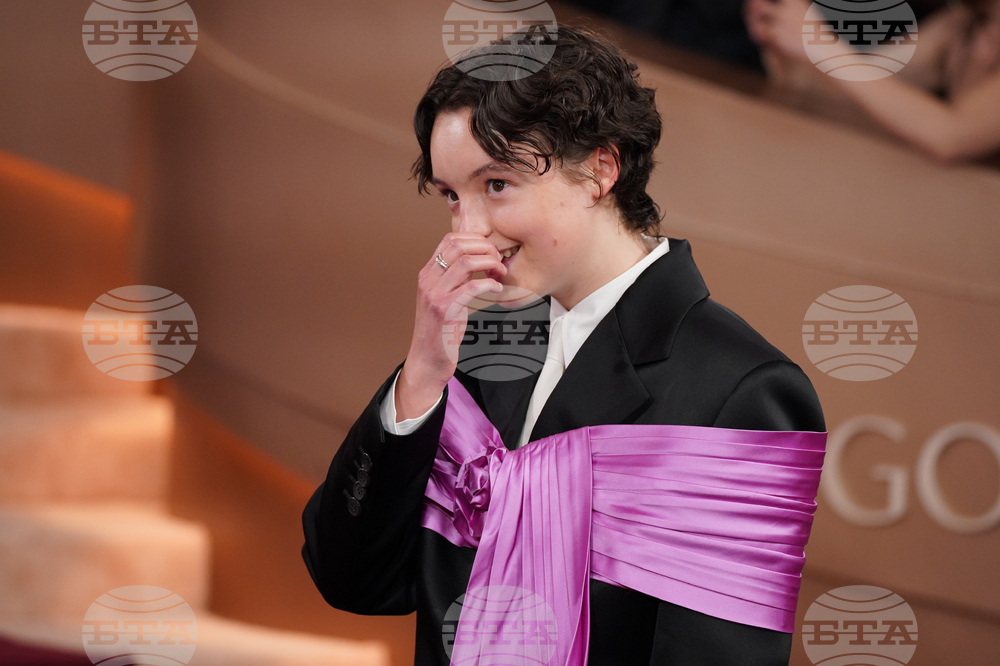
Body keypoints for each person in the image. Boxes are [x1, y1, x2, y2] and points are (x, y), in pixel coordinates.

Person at [302, 26, 826, 665]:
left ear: (600, 170)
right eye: (450, 197)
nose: (468, 233)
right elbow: (353, 580)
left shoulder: (743, 387)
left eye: (496, 185)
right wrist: (421, 374)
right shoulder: (471, 347)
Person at [745, 0, 1000, 163]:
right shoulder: (962, 26)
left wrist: (817, 43)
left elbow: (949, 136)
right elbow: (867, 90)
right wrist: (780, 36)